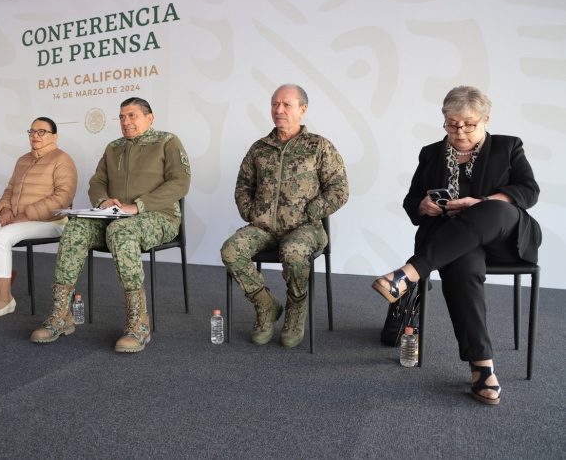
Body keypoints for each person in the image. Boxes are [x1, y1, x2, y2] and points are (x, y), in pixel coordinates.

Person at [372, 85, 541, 405]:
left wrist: (482, 202)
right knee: (461, 263)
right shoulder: (431, 153)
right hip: (455, 242)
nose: (459, 131)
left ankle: (409, 273)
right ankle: (482, 368)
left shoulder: (508, 146)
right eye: (451, 124)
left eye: (468, 124)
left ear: (486, 120)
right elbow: (411, 201)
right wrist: (423, 205)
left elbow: (529, 191)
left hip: (505, 238)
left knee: (492, 209)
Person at [30, 97, 191, 352]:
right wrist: (103, 201)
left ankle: (139, 322)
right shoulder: (114, 147)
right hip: (114, 218)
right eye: (122, 117)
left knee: (121, 231)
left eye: (132, 115)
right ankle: (61, 315)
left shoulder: (167, 142)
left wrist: (139, 205)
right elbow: (97, 182)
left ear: (149, 118)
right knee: (75, 228)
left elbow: (180, 182)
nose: (126, 122)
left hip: (159, 217)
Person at [221, 84, 349, 348]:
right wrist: (250, 212)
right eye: (275, 104)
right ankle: (266, 304)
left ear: (302, 110)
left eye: (287, 105)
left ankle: (296, 307)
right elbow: (243, 185)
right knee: (231, 251)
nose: (279, 110)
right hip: (264, 228)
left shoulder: (318, 146)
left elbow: (339, 189)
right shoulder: (259, 148)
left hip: (305, 229)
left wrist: (311, 212)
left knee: (293, 252)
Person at [0, 117, 77, 319]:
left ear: (54, 136)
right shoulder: (23, 160)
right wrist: (5, 208)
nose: (35, 135)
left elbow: (63, 197)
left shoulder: (62, 159)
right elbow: (10, 189)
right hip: (19, 218)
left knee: (0, 238)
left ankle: (4, 300)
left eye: (42, 131)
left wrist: (26, 214)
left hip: (51, 221)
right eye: (32, 131)